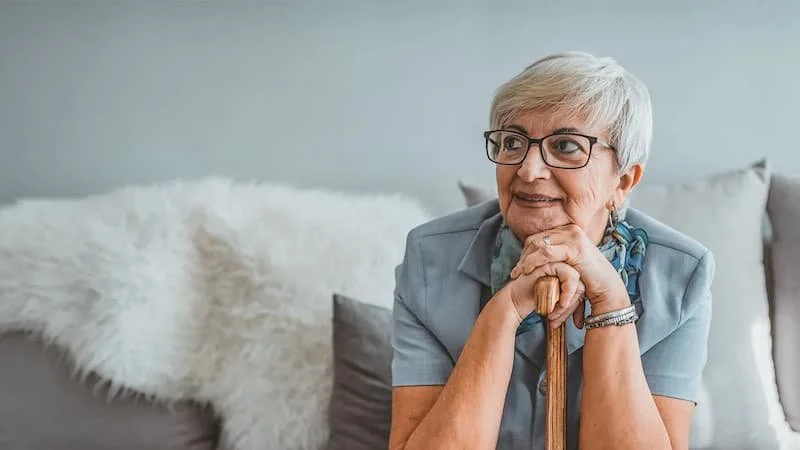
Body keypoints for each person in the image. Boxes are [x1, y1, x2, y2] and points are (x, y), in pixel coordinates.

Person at [388, 51, 713, 450]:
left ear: (623, 181)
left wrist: (610, 303)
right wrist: (505, 310)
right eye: (512, 142)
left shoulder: (681, 275)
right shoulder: (429, 259)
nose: (528, 170)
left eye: (565, 145)